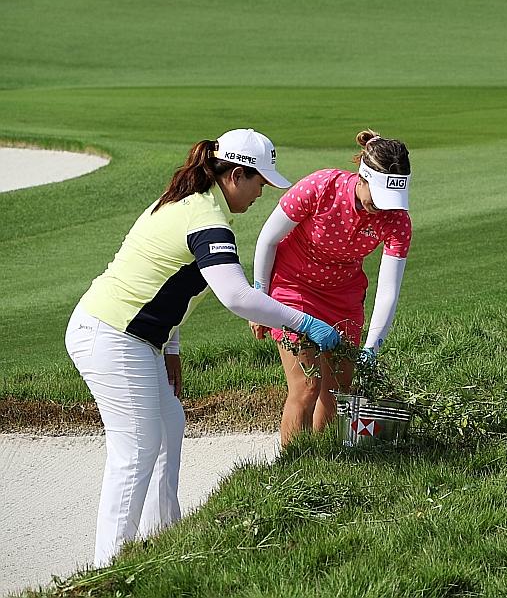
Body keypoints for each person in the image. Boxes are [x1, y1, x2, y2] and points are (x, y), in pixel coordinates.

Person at [65, 130, 341, 568]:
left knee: (169, 426)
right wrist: (302, 320)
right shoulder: (206, 218)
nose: (260, 194)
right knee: (136, 450)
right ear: (235, 175)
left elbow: (164, 278)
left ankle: (162, 544)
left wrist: (171, 345)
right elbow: (236, 296)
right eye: (259, 183)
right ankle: (110, 569)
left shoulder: (189, 200)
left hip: (137, 339)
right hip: (111, 335)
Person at [251, 130, 413, 445]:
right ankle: (292, 466)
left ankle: (320, 460)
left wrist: (373, 347)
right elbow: (268, 239)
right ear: (362, 179)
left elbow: (388, 288)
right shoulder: (321, 186)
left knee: (337, 390)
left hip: (343, 297)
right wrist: (258, 299)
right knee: (307, 386)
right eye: (376, 197)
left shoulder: (397, 221)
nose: (382, 208)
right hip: (293, 286)